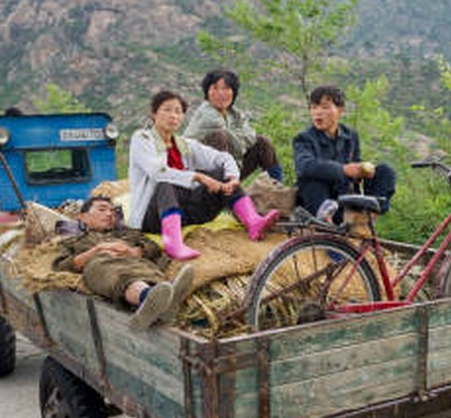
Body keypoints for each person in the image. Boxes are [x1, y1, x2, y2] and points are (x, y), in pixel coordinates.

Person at [128, 89, 280, 260]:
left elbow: (222, 158)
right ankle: (173, 243)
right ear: (154, 114)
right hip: (152, 216)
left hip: (187, 212)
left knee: (221, 172)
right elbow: (157, 172)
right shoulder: (142, 139)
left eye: (178, 111)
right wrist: (199, 177)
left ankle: (253, 222)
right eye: (167, 110)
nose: (173, 115)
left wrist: (232, 178)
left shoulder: (184, 144)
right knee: (164, 183)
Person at [53, 196, 195, 331]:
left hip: (135, 264)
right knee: (108, 267)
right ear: (83, 217)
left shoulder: (128, 234)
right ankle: (150, 298)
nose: (109, 214)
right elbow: (61, 266)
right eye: (102, 210)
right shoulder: (72, 241)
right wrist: (97, 250)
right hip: (101, 267)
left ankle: (157, 302)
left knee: (144, 269)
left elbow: (154, 248)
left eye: (112, 211)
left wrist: (133, 251)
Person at [293, 85, 396, 223]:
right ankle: (325, 221)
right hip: (320, 199)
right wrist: (344, 170)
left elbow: (355, 164)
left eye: (325, 107)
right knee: (310, 176)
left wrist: (360, 171)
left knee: (385, 170)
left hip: (345, 197)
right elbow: (304, 166)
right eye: (314, 107)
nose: (318, 112)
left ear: (340, 110)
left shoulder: (350, 135)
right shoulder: (304, 138)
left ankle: (368, 216)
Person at [181, 68, 284, 182]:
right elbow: (239, 138)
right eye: (215, 88)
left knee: (263, 143)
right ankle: (220, 192)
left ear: (233, 92)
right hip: (198, 173)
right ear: (207, 92)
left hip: (232, 166)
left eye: (226, 88)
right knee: (220, 136)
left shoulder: (234, 113)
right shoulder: (206, 114)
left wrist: (239, 139)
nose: (220, 93)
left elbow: (251, 136)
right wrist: (241, 138)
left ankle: (276, 186)